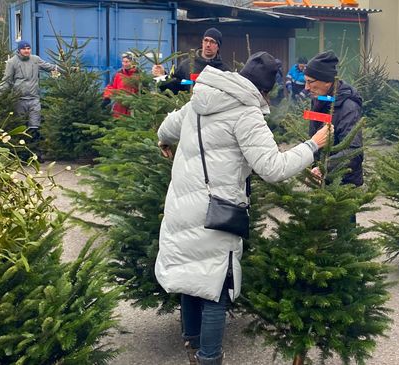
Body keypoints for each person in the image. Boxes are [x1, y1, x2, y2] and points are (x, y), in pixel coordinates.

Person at [154, 52, 333, 365]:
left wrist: (164, 143)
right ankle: (208, 358)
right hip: (216, 212)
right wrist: (313, 145)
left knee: (191, 274)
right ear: (264, 91)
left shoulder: (201, 99)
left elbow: (166, 128)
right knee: (215, 285)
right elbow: (273, 167)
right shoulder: (246, 113)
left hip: (182, 205)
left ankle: (192, 345)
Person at [304, 50, 364, 188]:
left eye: (310, 82)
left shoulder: (349, 107)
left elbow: (354, 152)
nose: (306, 87)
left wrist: (324, 168)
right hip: (321, 179)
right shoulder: (319, 100)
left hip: (343, 185)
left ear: (327, 82)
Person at [0, 40, 60, 142]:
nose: (26, 51)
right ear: (19, 50)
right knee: (21, 126)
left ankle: (34, 150)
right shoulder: (12, 62)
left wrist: (68, 69)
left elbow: (51, 67)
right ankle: (22, 151)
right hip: (19, 100)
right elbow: (7, 80)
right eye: (24, 49)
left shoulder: (35, 60)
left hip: (34, 99)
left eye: (28, 48)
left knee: (34, 126)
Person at [153, 28, 229, 93]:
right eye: (206, 40)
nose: (208, 45)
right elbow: (176, 84)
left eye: (212, 42)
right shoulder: (186, 65)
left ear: (218, 46)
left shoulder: (223, 70)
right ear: (202, 42)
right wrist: (162, 76)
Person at [103, 53, 140, 118]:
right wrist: (107, 98)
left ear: (133, 62)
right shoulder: (118, 74)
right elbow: (111, 87)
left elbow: (145, 89)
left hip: (134, 107)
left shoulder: (139, 75)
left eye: (127, 62)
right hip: (119, 107)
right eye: (123, 61)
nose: (124, 64)